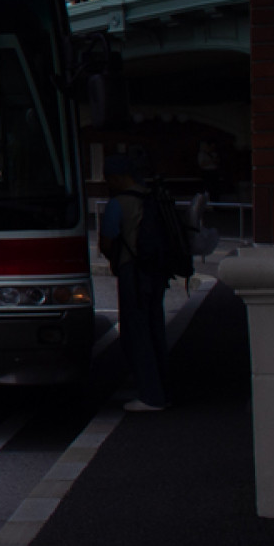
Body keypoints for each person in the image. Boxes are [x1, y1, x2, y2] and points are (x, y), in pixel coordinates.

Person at [99, 153, 173, 412]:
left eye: (109, 177)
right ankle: (163, 388)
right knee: (155, 331)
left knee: (137, 333)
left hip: (133, 272)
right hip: (156, 271)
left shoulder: (118, 203)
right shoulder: (151, 197)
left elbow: (107, 242)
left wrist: (114, 257)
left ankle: (150, 395)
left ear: (118, 176)